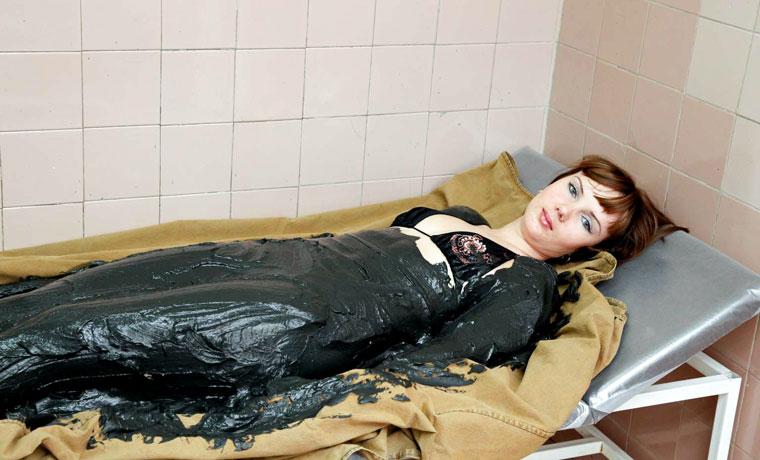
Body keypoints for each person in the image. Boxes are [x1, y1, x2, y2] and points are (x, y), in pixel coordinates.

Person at [0, 155, 685, 428]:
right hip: (267, 262)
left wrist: (315, 381)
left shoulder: (523, 283)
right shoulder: (462, 216)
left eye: (588, 220)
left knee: (73, 334)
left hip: (287, 316)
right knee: (66, 292)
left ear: (588, 248)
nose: (565, 210)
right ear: (555, 181)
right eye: (573, 190)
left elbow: (436, 361)